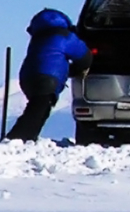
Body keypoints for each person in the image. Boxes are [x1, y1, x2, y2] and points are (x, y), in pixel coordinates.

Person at [5, 8, 91, 142]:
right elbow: (85, 57)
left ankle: (25, 138)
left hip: (27, 77)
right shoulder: (65, 36)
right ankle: (17, 138)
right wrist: (76, 71)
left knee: (37, 108)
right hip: (47, 78)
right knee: (38, 110)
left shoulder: (39, 37)